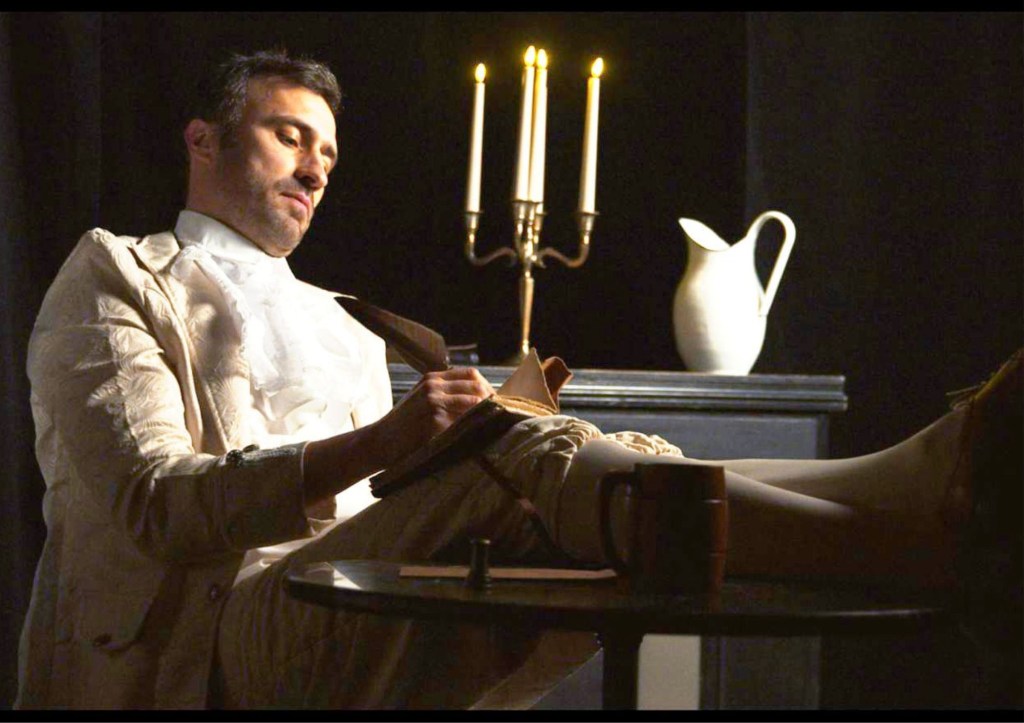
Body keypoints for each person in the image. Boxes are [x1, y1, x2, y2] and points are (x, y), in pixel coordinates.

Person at [17, 48, 1020, 709]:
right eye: (290, 136)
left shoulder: (350, 319)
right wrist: (394, 444)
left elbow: (387, 507)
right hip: (204, 648)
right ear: (203, 139)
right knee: (541, 462)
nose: (317, 169)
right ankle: (916, 527)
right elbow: (155, 502)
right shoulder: (114, 273)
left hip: (352, 598)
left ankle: (910, 491)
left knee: (622, 458)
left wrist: (459, 447)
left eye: (328, 152)